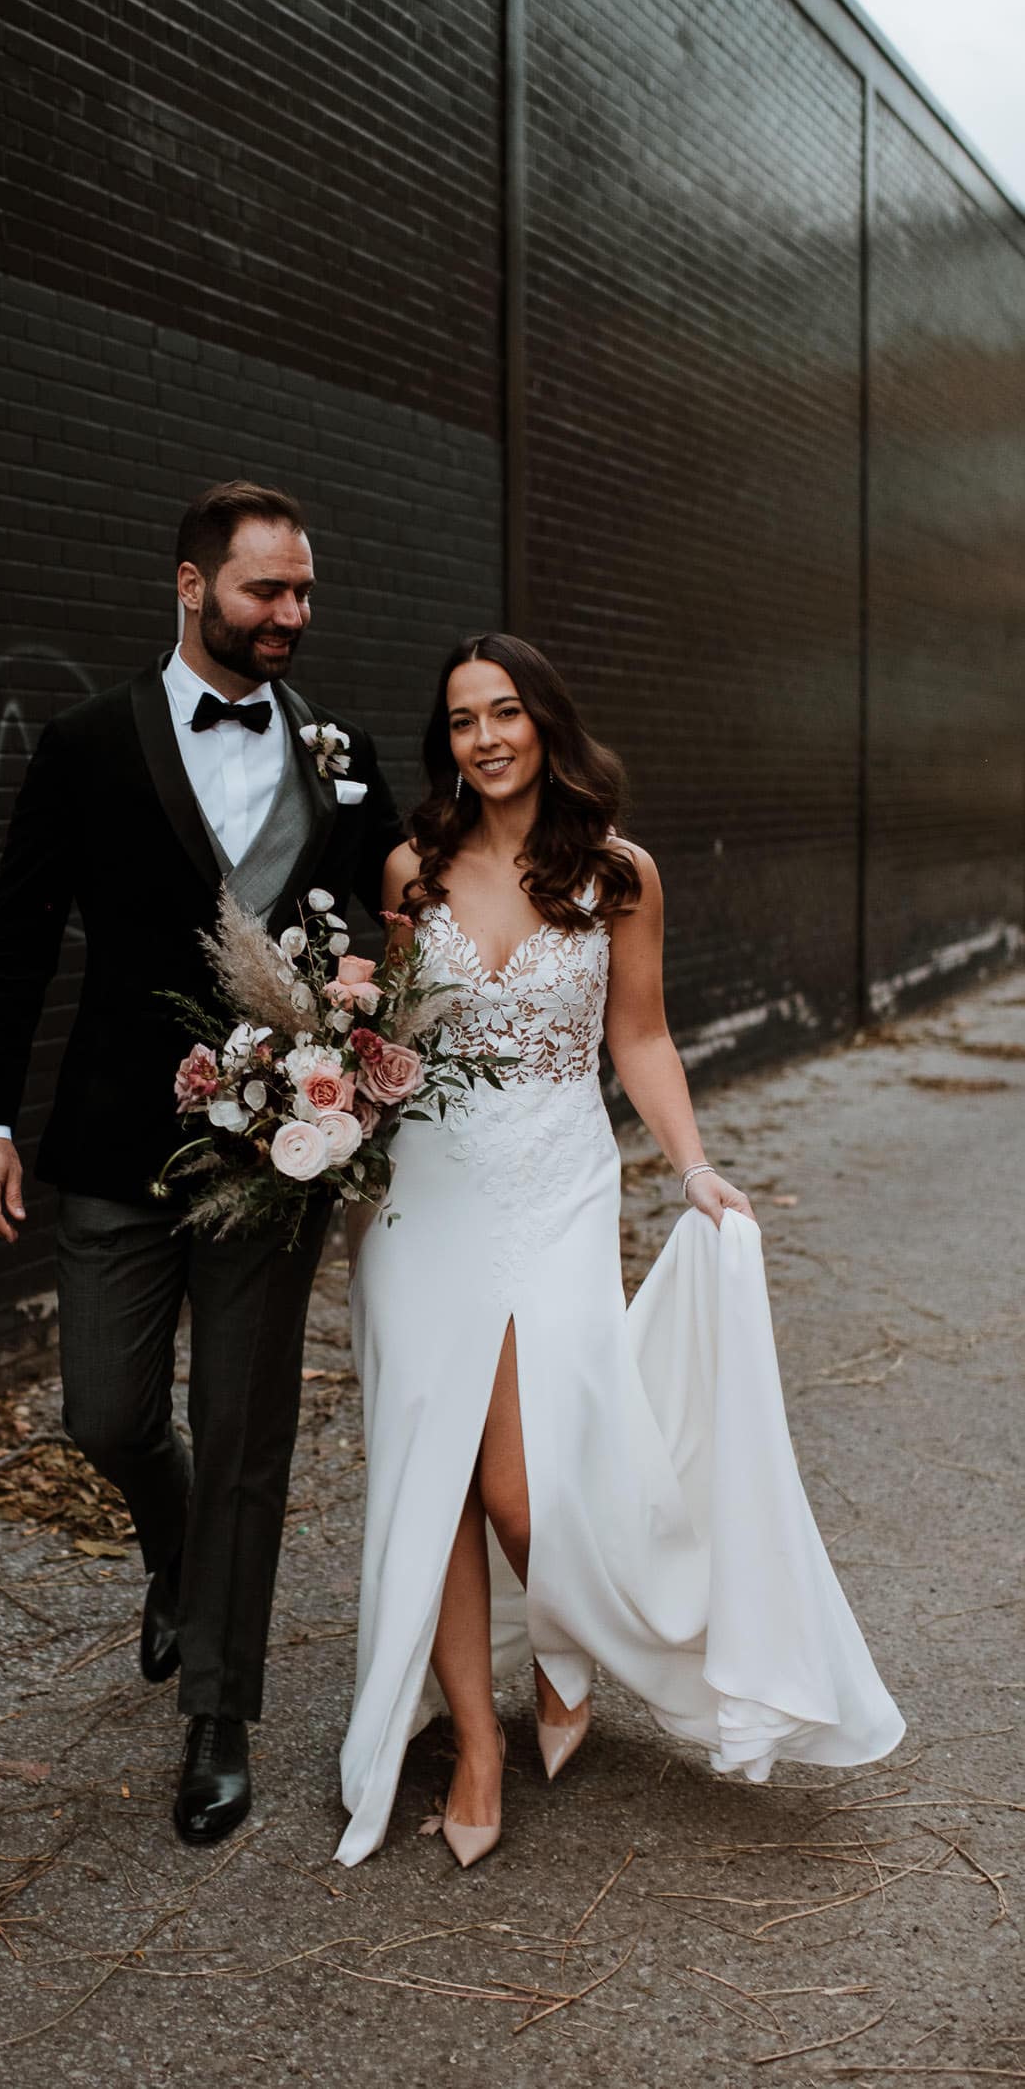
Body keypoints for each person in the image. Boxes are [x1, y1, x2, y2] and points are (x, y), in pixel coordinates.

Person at [335, 632, 903, 1868]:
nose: (485, 739)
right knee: (433, 1479)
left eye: (505, 714)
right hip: (422, 1200)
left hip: (554, 1190)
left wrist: (692, 1166)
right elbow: (381, 1049)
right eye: (463, 720)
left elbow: (638, 1038)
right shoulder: (410, 870)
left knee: (519, 1489)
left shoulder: (617, 877)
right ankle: (476, 1741)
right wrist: (323, 1123)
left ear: (544, 722)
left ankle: (580, 1647)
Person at [0, 482, 403, 1845]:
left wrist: (381, 1006)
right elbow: (16, 937)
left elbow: (400, 905)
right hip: (113, 1139)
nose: (292, 616)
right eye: (267, 590)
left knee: (251, 1427)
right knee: (105, 1408)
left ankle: (219, 1711)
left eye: (305, 592)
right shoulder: (87, 742)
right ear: (189, 585)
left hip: (283, 1149)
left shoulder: (340, 752)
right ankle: (172, 1549)